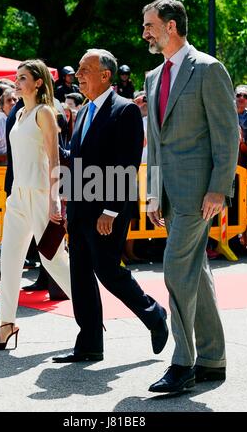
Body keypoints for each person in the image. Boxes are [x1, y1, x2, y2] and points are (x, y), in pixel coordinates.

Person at [142, 0, 239, 393]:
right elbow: (157, 142)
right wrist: (152, 194)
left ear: (171, 26)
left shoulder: (208, 69)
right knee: (194, 273)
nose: (144, 32)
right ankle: (213, 358)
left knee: (175, 270)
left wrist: (219, 188)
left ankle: (183, 363)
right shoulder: (152, 77)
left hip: (201, 194)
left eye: (149, 25)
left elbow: (226, 133)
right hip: (168, 194)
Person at [52, 48, 168, 363]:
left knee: (107, 270)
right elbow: (78, 159)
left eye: (84, 69)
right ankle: (89, 343)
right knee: (80, 275)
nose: (77, 75)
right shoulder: (84, 112)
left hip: (106, 210)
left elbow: (126, 164)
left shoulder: (125, 110)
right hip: (78, 207)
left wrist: (111, 210)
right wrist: (65, 196)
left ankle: (154, 315)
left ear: (105, 75)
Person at [0, 59, 71, 350]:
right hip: (18, 196)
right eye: (16, 77)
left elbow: (55, 158)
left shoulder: (44, 112)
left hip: (39, 194)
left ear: (37, 82)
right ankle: (6, 325)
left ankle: (89, 310)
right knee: (10, 262)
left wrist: (55, 201)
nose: (17, 81)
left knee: (54, 260)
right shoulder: (20, 113)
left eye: (23, 77)